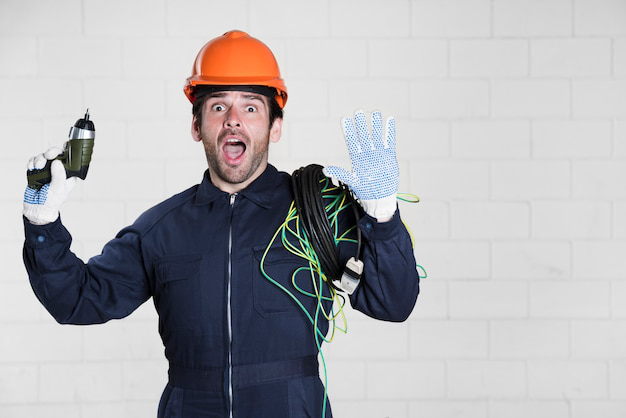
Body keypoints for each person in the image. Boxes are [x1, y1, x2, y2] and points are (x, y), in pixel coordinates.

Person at [22, 30, 420, 418]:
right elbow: (78, 299)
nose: (233, 120)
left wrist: (382, 217)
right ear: (197, 127)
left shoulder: (317, 214)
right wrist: (43, 226)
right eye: (217, 106)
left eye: (250, 107)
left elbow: (393, 302)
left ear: (274, 127)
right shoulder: (162, 229)